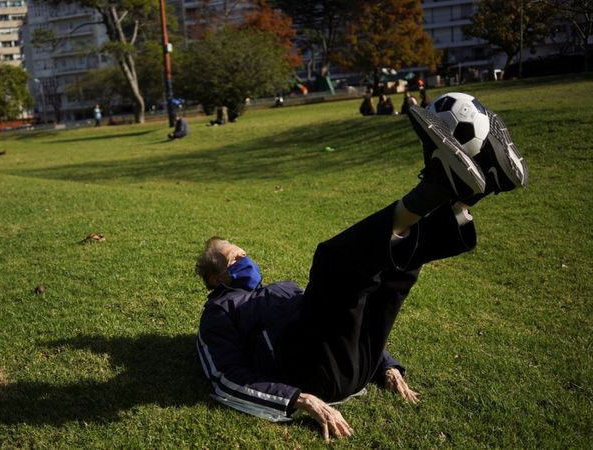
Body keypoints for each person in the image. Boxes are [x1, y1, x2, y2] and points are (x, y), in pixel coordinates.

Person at [195, 104, 529, 441]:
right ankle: (437, 186)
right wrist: (300, 399)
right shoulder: (219, 311)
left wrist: (386, 365)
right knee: (332, 261)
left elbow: (346, 317)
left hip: (356, 364)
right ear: (214, 278)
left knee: (394, 271)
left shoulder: (281, 289)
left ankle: (472, 193)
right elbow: (225, 376)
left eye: (244, 254)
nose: (246, 261)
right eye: (235, 260)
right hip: (307, 373)